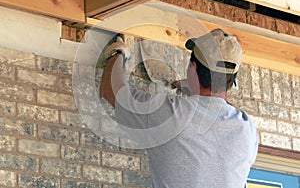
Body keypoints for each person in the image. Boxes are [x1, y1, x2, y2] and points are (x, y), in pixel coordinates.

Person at [100, 28, 258, 188]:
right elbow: (220, 109)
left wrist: (117, 53)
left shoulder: (172, 114)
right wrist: (196, 91)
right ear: (232, 80)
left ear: (193, 68)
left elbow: (110, 90)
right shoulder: (247, 129)